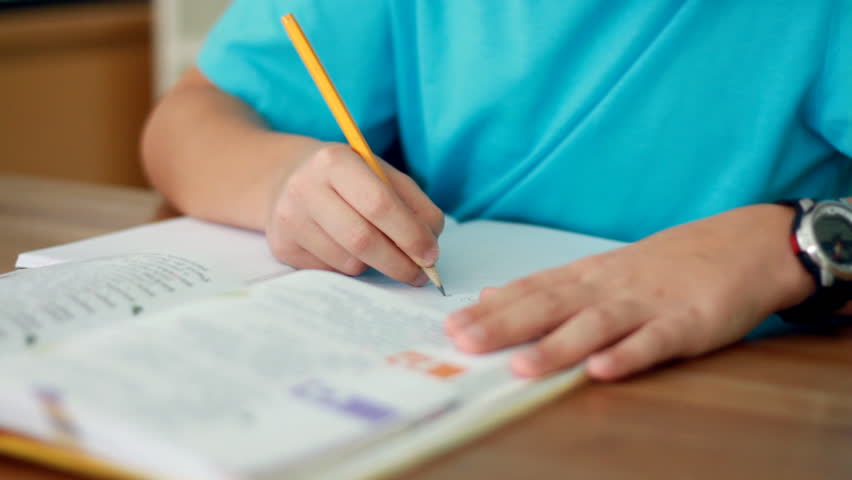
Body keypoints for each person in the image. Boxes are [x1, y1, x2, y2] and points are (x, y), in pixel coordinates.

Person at [142, 1, 852, 381]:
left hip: (731, 391)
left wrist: (789, 247)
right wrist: (279, 183)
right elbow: (188, 120)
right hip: (460, 376)